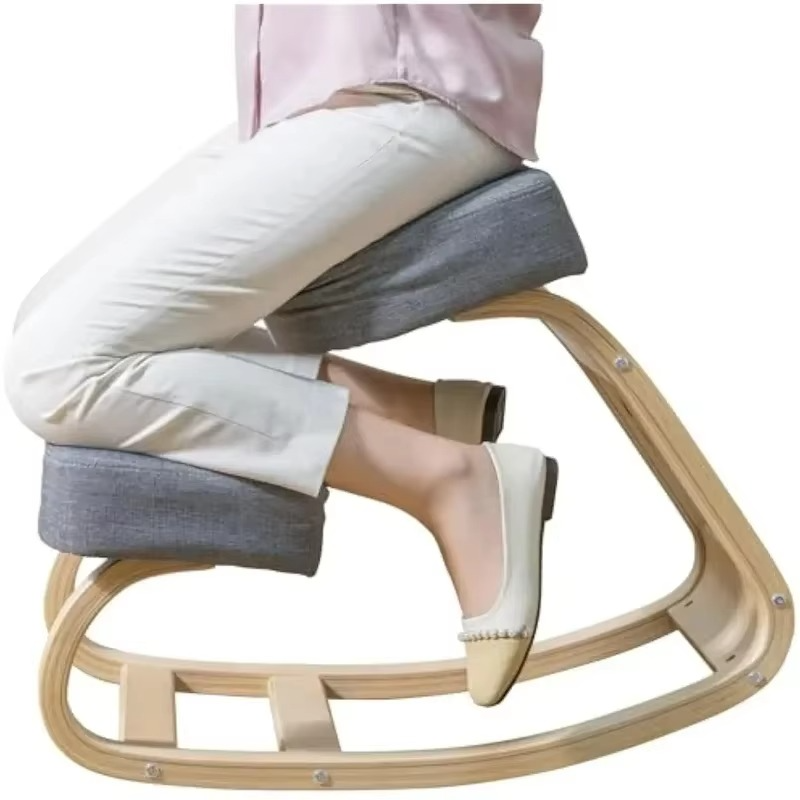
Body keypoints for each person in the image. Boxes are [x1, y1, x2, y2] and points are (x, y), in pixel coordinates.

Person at [4, 4, 555, 707]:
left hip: (413, 91)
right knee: (48, 324)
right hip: (314, 97)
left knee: (59, 367)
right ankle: (408, 411)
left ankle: (447, 477)